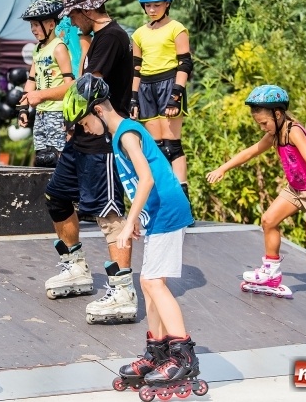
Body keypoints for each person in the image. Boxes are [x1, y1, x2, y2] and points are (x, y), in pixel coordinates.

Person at [63, 74, 205, 397]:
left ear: (97, 111)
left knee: (154, 283)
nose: (84, 130)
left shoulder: (126, 132)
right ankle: (157, 351)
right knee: (148, 282)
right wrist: (139, 216)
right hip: (156, 215)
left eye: (83, 123)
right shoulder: (118, 136)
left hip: (168, 211)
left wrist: (127, 223)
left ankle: (183, 355)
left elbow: (146, 179)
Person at [206, 85, 306, 326]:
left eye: (264, 123)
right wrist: (222, 169)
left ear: (278, 114)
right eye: (259, 125)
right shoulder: (274, 133)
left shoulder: (294, 131)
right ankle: (271, 273)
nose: (262, 128)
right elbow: (250, 152)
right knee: (268, 220)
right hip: (295, 188)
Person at [43, 0, 136, 325]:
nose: (74, 23)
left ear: (86, 10)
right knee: (57, 197)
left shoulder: (111, 36)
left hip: (102, 142)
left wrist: (82, 117)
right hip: (80, 140)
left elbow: (87, 87)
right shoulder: (98, 39)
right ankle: (76, 268)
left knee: (108, 215)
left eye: (75, 15)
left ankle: (123, 290)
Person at [130, 0, 193, 203]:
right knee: (155, 148)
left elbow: (185, 63)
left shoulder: (177, 28)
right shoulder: (138, 34)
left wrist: (176, 96)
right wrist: (134, 98)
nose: (152, 9)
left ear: (168, 4)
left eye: (157, 5)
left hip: (169, 83)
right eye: (148, 5)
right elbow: (136, 68)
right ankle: (163, 199)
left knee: (172, 146)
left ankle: (182, 201)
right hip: (146, 87)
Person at [16, 0, 75, 167]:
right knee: (41, 157)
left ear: (51, 24)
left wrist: (69, 116)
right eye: (31, 25)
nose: (33, 29)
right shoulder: (37, 49)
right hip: (41, 112)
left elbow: (69, 83)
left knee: (56, 158)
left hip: (56, 112)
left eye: (36, 24)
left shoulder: (59, 47)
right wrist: (23, 109)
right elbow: (31, 80)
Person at [41, 0, 90, 76]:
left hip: (80, 81)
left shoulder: (80, 11)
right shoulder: (61, 15)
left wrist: (80, 81)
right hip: (66, 82)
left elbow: (86, 50)